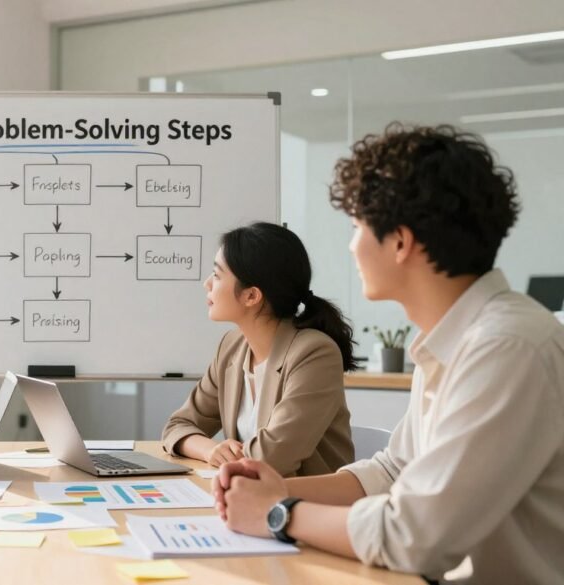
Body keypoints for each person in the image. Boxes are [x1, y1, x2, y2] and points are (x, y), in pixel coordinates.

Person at [215, 124, 564, 585]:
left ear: (400, 242)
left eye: (357, 227)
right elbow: (394, 469)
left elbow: (415, 538)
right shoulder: (453, 338)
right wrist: (271, 489)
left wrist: (280, 513)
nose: (350, 245)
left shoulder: (506, 347)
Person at [162, 222, 356, 476]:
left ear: (252, 296)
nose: (207, 284)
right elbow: (178, 425)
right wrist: (211, 450)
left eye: (217, 275)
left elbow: (272, 457)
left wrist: (227, 457)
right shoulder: (231, 347)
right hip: (249, 498)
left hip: (305, 505)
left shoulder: (315, 354)